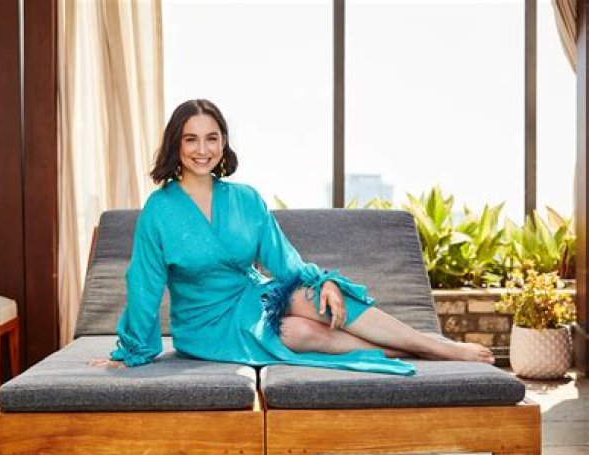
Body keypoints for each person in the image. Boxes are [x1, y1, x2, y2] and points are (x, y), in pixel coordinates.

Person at [91, 99, 494, 373]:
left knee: (314, 296)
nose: (202, 149)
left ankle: (435, 346)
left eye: (211, 138)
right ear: (176, 145)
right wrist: (132, 350)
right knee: (296, 332)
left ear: (223, 143)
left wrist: (324, 283)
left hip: (252, 297)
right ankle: (409, 349)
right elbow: (144, 284)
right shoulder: (159, 209)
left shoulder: (246, 198)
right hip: (205, 324)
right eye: (190, 139)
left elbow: (283, 258)